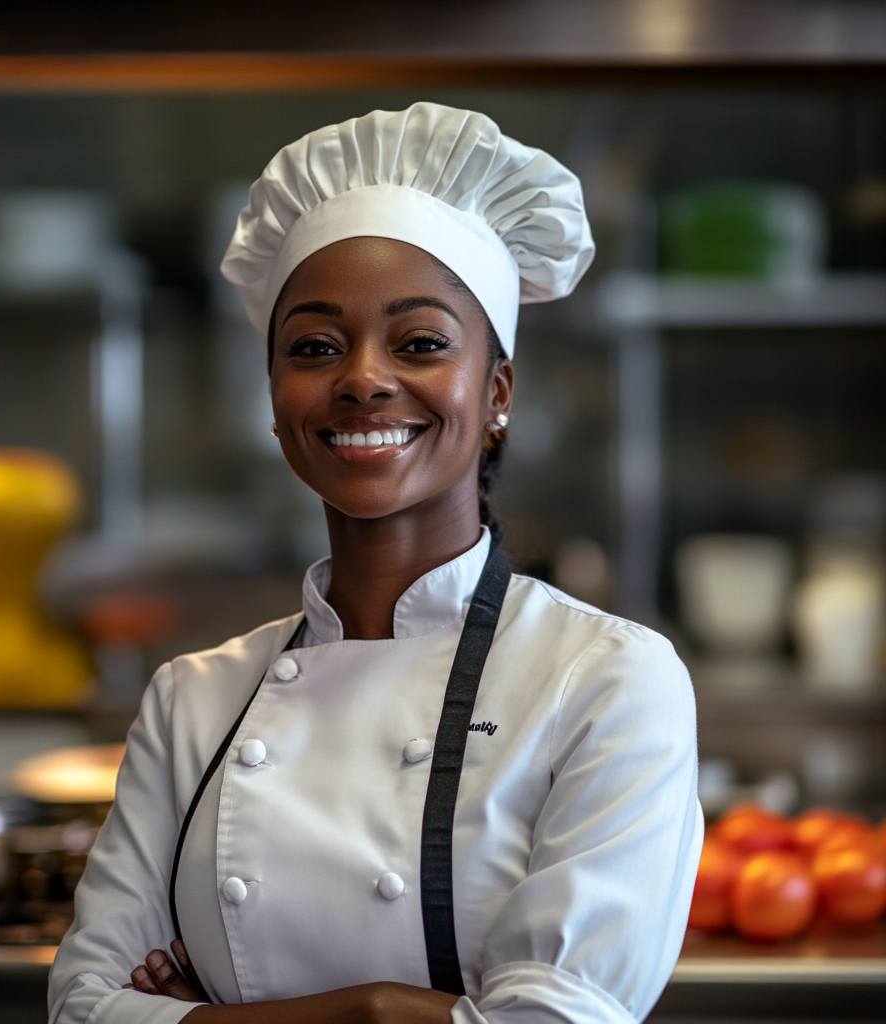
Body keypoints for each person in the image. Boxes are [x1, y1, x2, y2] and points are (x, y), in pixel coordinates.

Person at [49, 102, 702, 1024]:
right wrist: (381, 1011)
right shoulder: (193, 701)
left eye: (421, 342)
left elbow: (557, 1018)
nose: (361, 376)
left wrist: (205, 1016)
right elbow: (81, 1007)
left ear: (500, 390)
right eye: (314, 346)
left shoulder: (608, 681)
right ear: (276, 401)